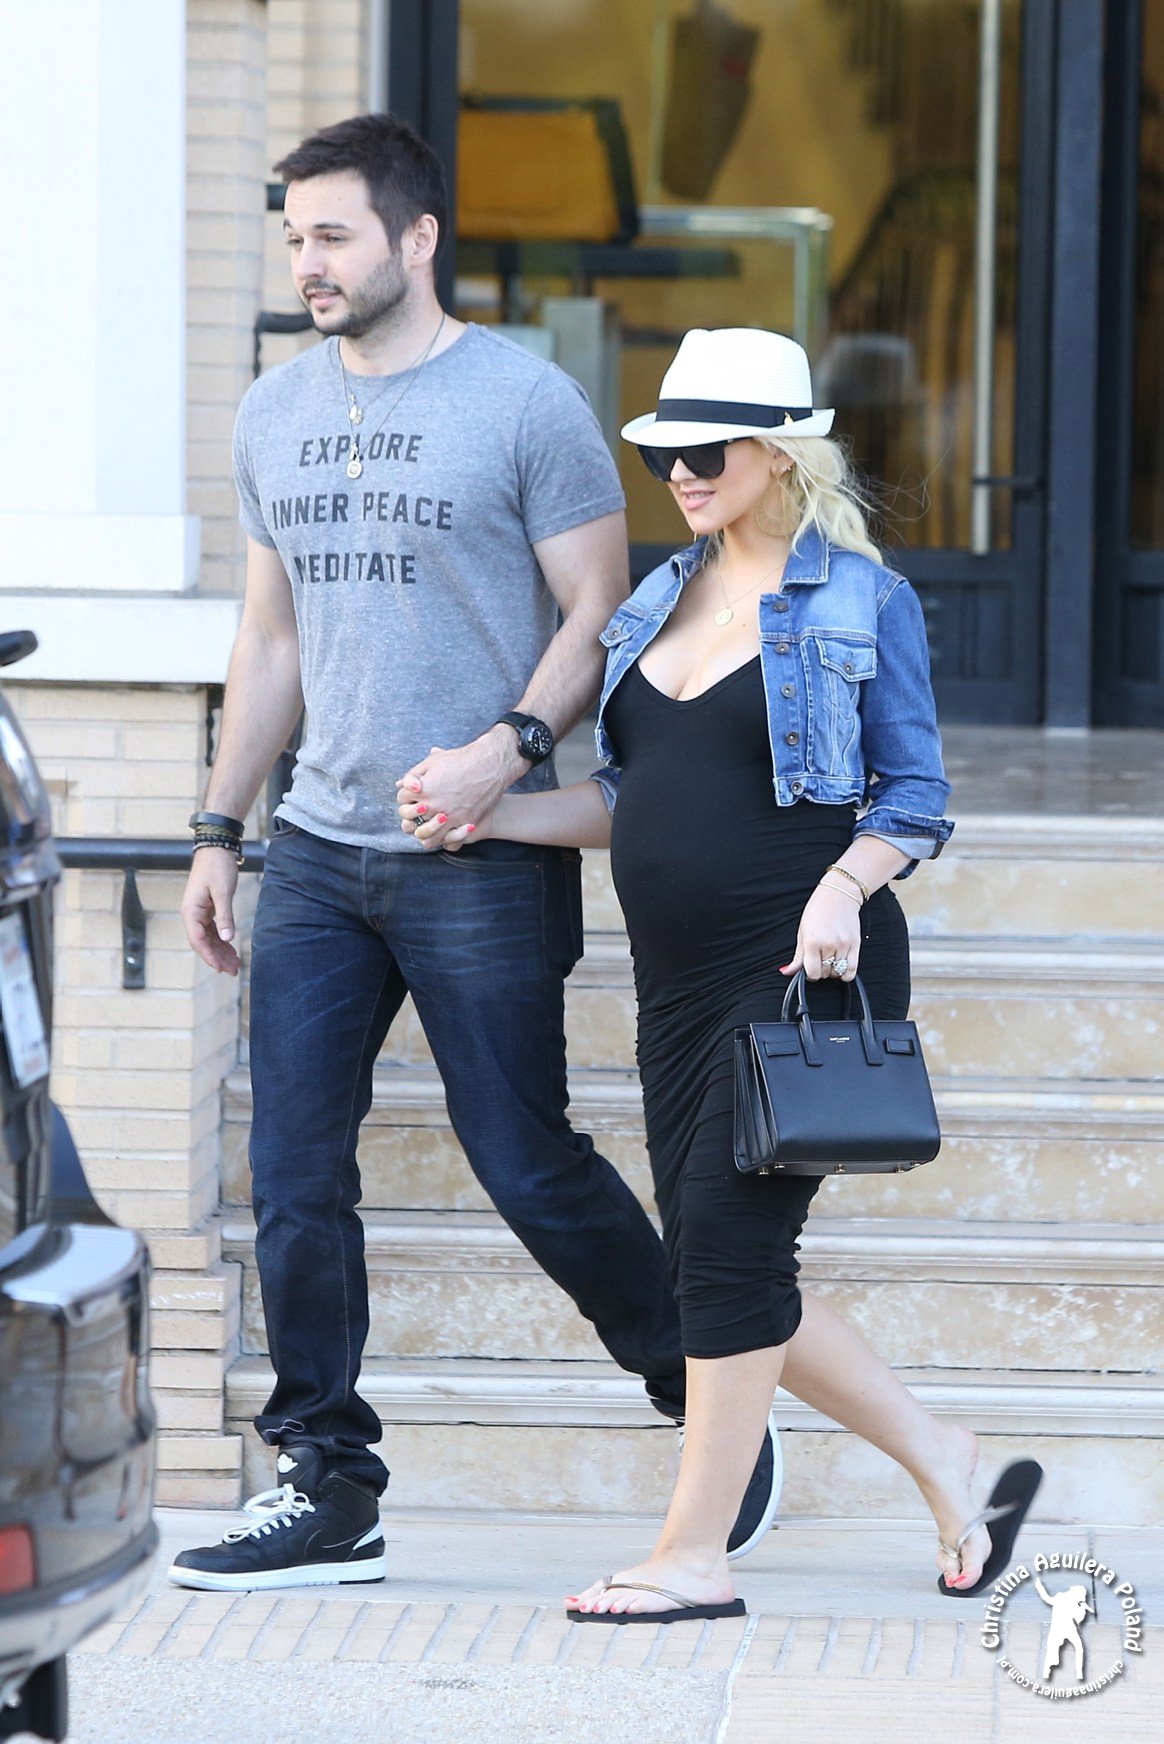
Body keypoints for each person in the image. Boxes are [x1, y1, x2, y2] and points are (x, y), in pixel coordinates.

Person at [169, 118, 779, 1592]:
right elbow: (271, 637)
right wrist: (219, 827)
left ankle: (703, 1399)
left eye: (333, 236)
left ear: (417, 236)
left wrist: (507, 750)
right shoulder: (272, 412)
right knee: (292, 1169)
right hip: (319, 850)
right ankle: (328, 1480)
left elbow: (598, 610)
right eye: (295, 238)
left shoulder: (525, 404)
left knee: (525, 1158)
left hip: (479, 855)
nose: (308, 264)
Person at [402, 328, 1043, 1622]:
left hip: (802, 965)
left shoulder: (861, 599)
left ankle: (693, 1554)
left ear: (779, 454)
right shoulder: (655, 600)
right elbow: (633, 798)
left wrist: (841, 886)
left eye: (706, 451)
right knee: (710, 1261)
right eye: (664, 455)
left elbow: (914, 798)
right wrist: (495, 815)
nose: (681, 473)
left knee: (731, 1257)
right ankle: (950, 1459)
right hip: (678, 985)